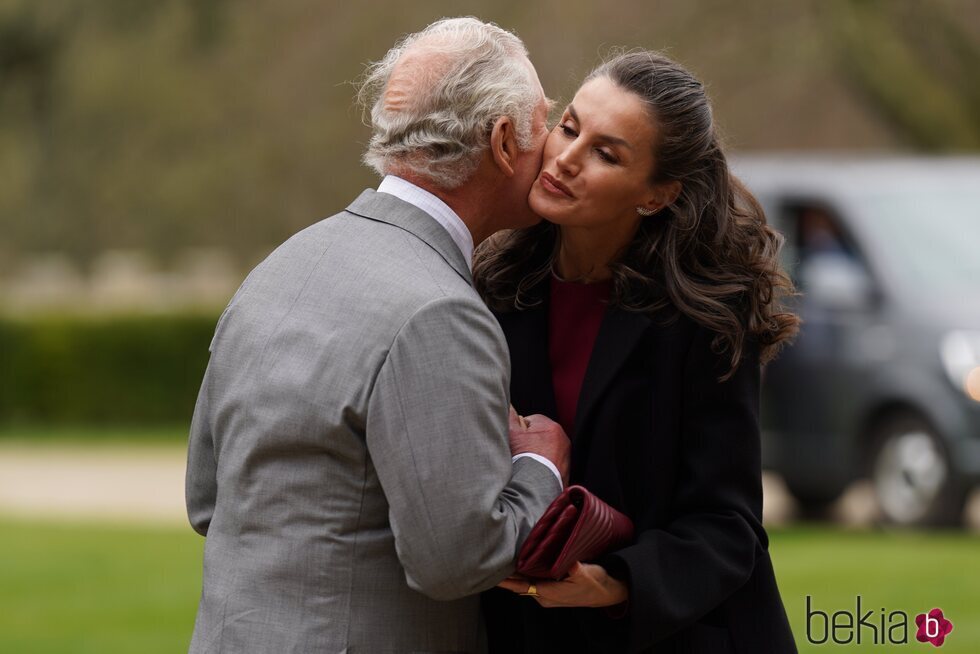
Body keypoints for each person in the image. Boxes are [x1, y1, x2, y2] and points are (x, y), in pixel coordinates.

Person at [185, 17, 572, 654]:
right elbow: (456, 560)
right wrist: (538, 468)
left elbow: (208, 502)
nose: (557, 145)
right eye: (547, 120)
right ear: (505, 141)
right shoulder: (439, 312)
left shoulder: (280, 267)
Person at [475, 51, 801, 653]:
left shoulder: (703, 321)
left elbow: (726, 526)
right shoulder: (492, 292)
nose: (566, 159)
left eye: (606, 153)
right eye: (569, 128)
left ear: (657, 194)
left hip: (673, 635)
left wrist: (615, 583)